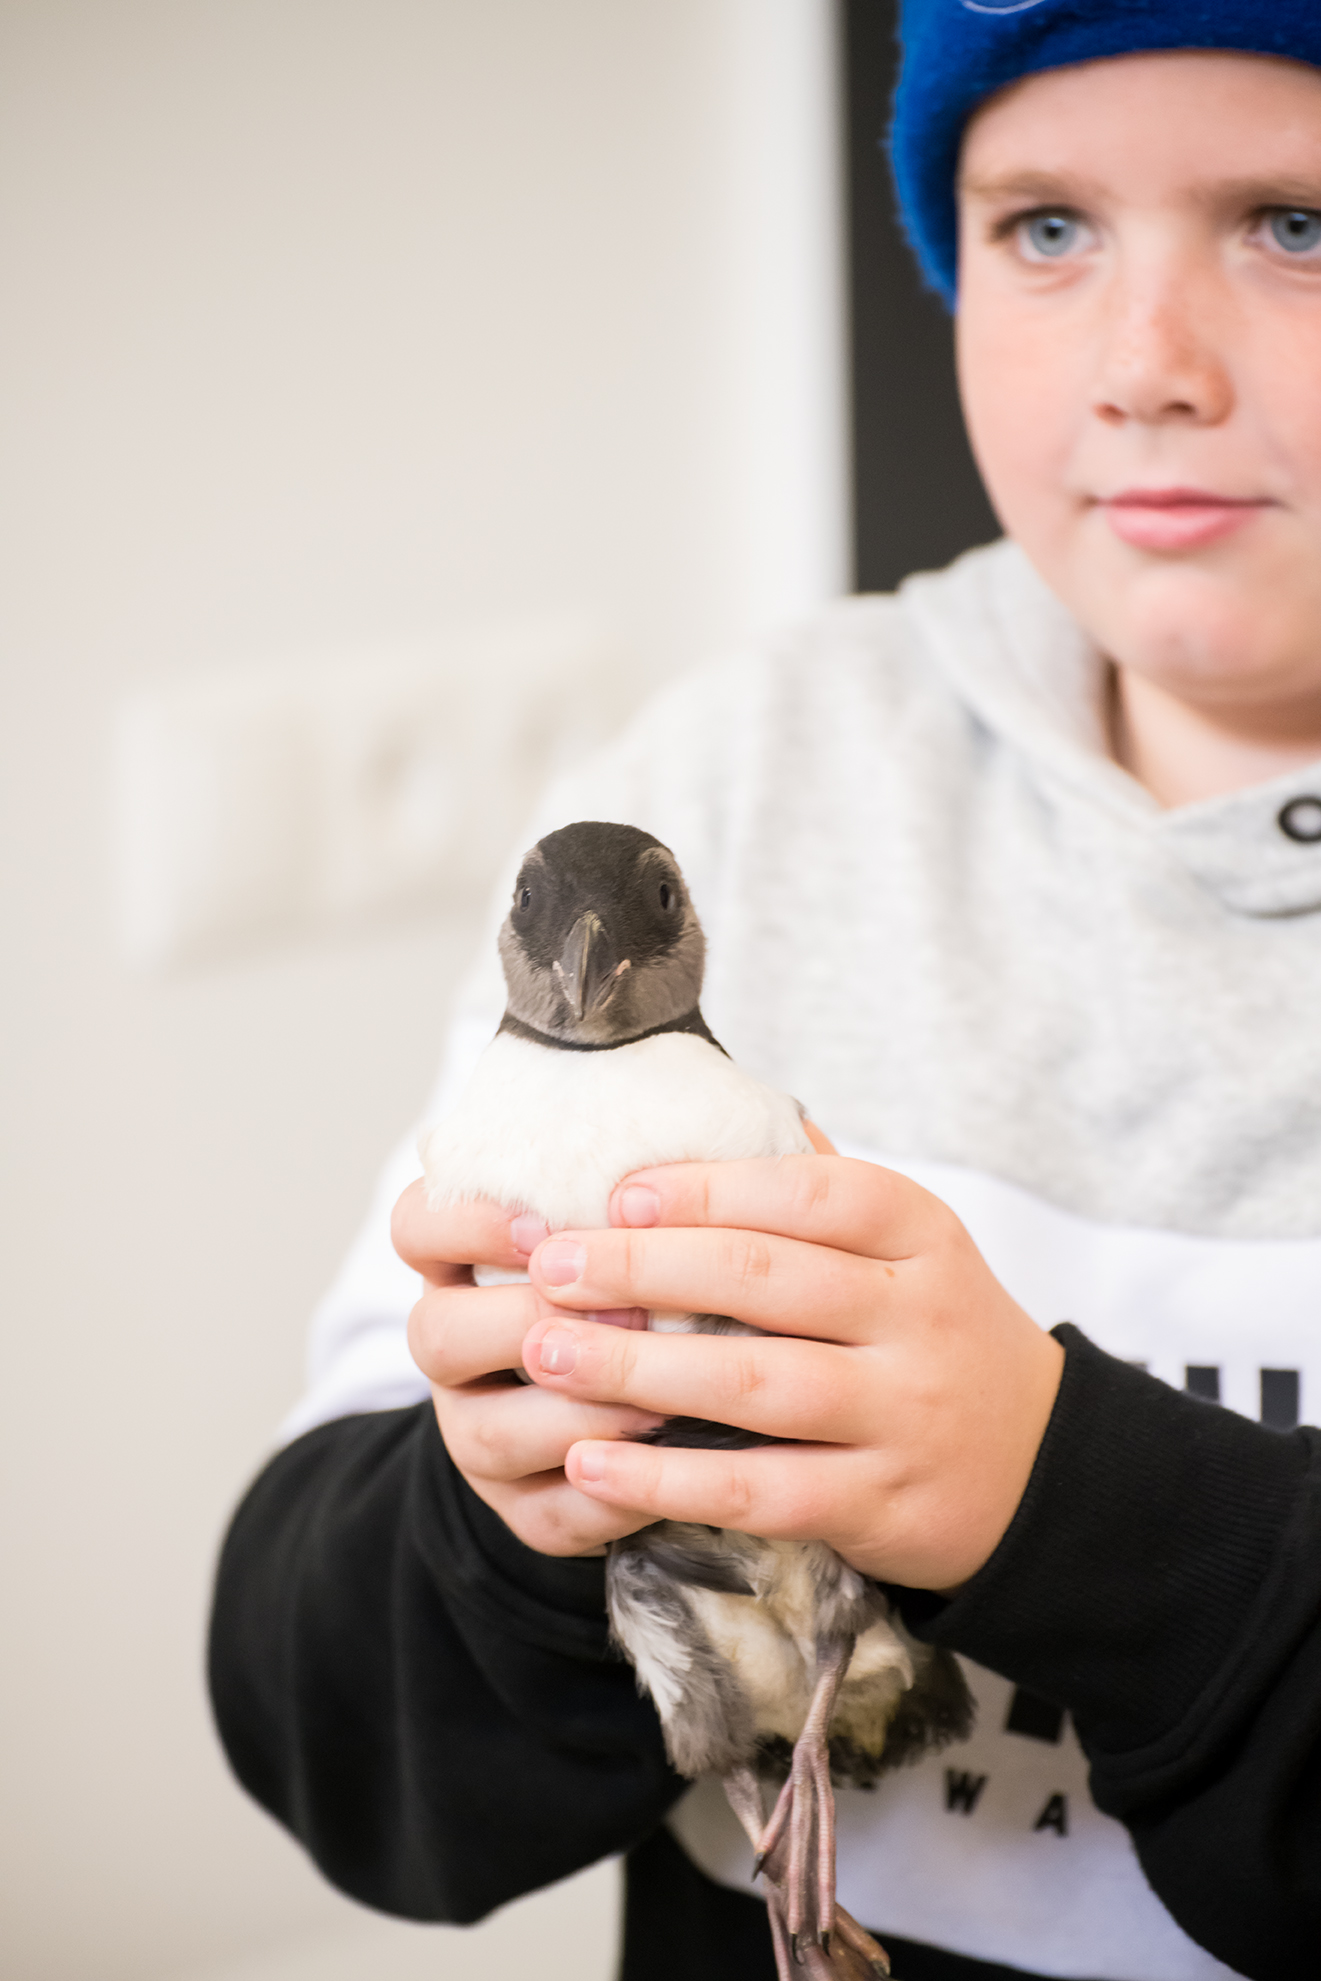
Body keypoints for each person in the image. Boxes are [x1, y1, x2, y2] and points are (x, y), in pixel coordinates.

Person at [208, 6, 1321, 1977]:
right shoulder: (729, 786)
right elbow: (348, 1749)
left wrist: (1061, 1502)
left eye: (1296, 225)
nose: (1149, 370)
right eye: (1045, 227)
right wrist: (515, 1508)